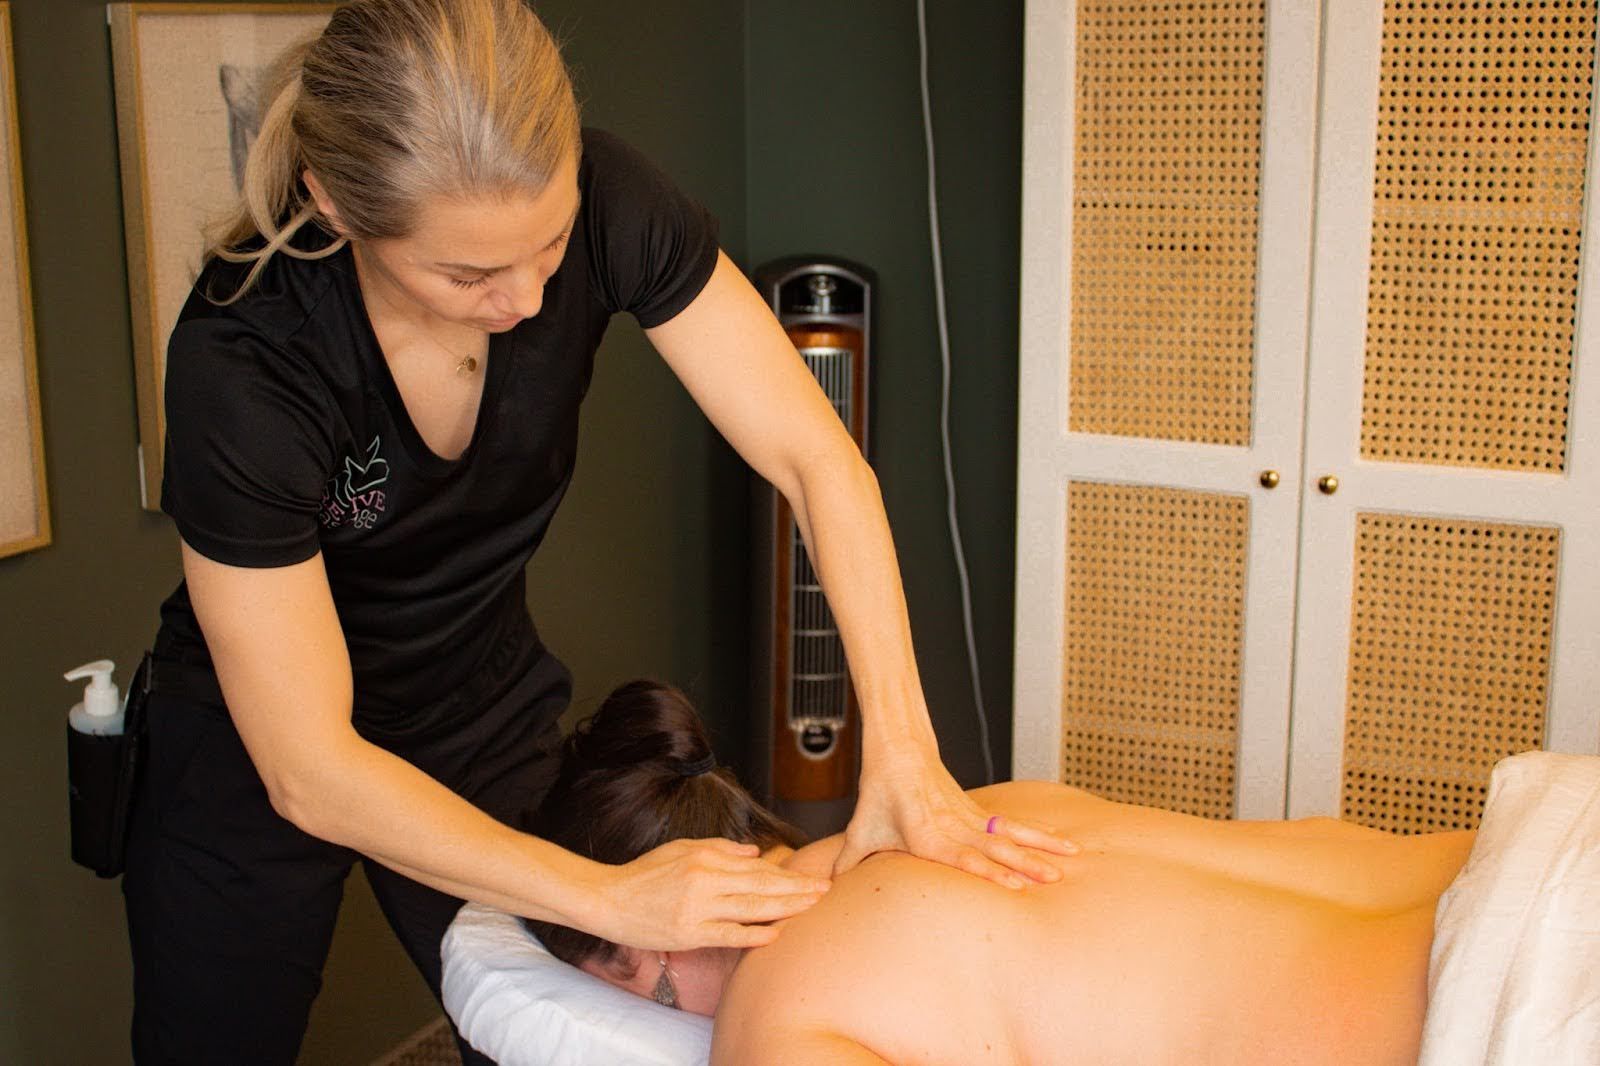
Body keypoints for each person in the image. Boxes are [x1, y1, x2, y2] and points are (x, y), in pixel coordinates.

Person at [124, 1, 1072, 1062]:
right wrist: (610, 896)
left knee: (547, 1036)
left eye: (551, 243)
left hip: (476, 700)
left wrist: (904, 753)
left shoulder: (614, 196)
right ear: (337, 207)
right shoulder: (248, 364)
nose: (528, 298)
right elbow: (309, 766)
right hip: (257, 748)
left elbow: (816, 460)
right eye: (469, 275)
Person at [527, 680, 1479, 1065]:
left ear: (640, 941)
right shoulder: (968, 812)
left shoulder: (776, 1009)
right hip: (1520, 859)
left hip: (1487, 1017)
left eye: (653, 997)